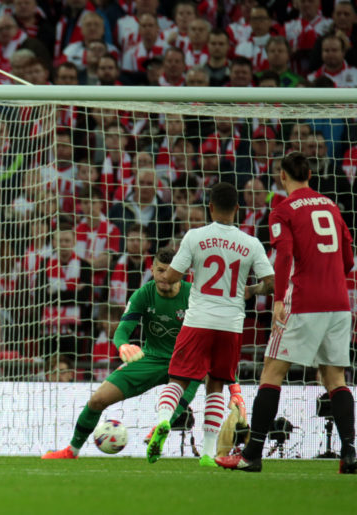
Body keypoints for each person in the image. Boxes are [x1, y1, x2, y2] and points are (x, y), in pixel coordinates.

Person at [218, 153, 357, 474]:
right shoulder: (332, 206)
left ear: (282, 176)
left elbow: (284, 257)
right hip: (338, 302)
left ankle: (252, 454)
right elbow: (349, 255)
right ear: (310, 173)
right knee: (335, 378)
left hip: (304, 302)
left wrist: (280, 298)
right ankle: (349, 454)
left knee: (271, 372)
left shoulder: (282, 210)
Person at [146, 182, 274, 466]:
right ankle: (207, 453)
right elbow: (271, 283)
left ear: (211, 207)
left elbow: (172, 276)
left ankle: (163, 420)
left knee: (178, 377)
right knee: (216, 384)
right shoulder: (251, 243)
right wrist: (251, 290)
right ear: (238, 209)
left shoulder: (195, 236)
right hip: (230, 325)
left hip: (198, 320)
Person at [43, 247, 204, 459]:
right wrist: (123, 346)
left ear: (181, 272)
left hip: (186, 361)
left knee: (198, 374)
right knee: (97, 400)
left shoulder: (194, 297)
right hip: (151, 358)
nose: (164, 276)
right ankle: (72, 450)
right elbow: (122, 330)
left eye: (169, 271)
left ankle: (162, 429)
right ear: (152, 269)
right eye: (159, 270)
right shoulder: (144, 294)